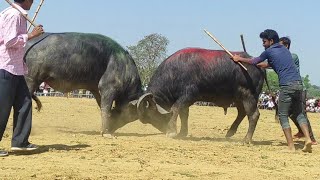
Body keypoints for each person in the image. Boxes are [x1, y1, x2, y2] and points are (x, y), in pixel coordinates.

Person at [232, 29, 312, 153]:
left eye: (264, 42)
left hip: (287, 85)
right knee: (299, 114)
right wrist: (257, 64)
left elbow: (255, 61)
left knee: (283, 115)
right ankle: (307, 139)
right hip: (298, 85)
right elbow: (269, 64)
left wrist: (239, 59)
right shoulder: (284, 50)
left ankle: (291, 147)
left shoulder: (269, 51)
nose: (263, 44)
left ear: (271, 41)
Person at [0, 0, 44, 156]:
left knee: (25, 102)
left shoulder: (17, 14)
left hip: (16, 68)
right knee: (2, 108)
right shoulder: (14, 15)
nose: (33, 2)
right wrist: (31, 35)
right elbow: (10, 41)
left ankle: (20, 142)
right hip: (5, 67)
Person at [279, 37, 317, 144]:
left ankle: (311, 138)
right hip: (293, 88)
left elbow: (273, 63)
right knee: (291, 113)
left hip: (299, 88)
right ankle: (301, 131)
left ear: (286, 46)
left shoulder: (292, 56)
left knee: (301, 113)